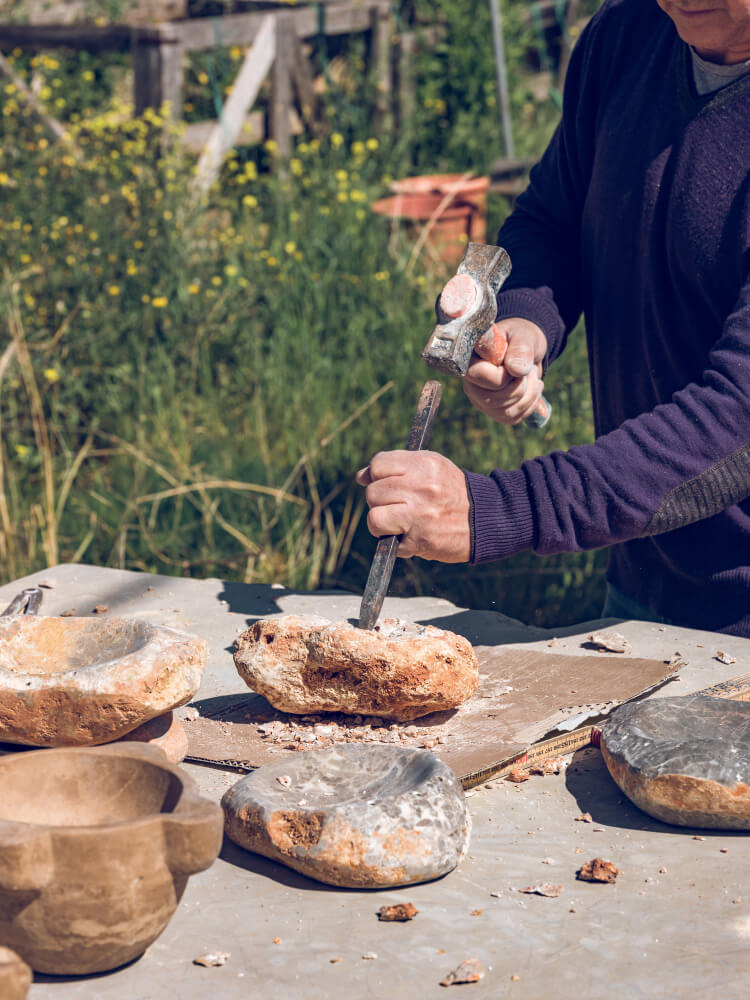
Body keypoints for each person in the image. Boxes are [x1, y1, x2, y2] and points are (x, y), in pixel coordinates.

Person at [356, 0, 750, 637]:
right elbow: (553, 219)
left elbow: (734, 421)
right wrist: (525, 326)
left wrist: (490, 512)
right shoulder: (627, 36)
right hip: (640, 579)